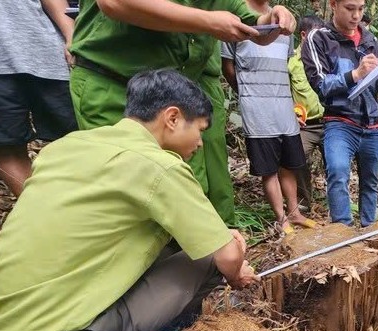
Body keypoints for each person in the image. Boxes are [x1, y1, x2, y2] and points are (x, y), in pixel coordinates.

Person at [0, 70, 258, 331]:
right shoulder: (159, 165)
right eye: (199, 130)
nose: (200, 142)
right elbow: (226, 256)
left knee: (171, 247)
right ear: (172, 117)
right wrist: (236, 267)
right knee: (209, 260)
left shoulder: (68, 147)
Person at [68, 0, 296, 225]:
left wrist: (271, 21)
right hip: (113, 84)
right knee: (126, 195)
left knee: (186, 188)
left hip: (174, 95)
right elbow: (115, 3)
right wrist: (208, 22)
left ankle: (200, 256)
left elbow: (254, 26)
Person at [222, 0, 317, 235]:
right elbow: (228, 68)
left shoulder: (285, 22)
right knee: (269, 169)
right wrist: (247, 93)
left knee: (289, 164)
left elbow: (284, 67)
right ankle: (281, 218)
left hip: (283, 107)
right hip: (257, 111)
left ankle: (294, 212)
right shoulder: (234, 19)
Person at [302, 0, 378, 227]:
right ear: (334, 4)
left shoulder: (369, 39)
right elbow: (321, 85)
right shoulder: (319, 39)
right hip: (339, 122)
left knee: (370, 182)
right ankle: (343, 234)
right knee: (337, 173)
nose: (356, 16)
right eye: (350, 8)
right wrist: (355, 73)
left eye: (361, 9)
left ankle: (368, 231)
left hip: (372, 123)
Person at [0, 0, 77, 196]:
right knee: (8, 145)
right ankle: (40, 214)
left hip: (45, 52)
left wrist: (71, 34)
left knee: (77, 138)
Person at [289, 14, 326, 211]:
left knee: (337, 161)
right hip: (306, 124)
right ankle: (304, 202)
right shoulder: (292, 63)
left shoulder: (326, 56)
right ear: (303, 35)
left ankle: (337, 201)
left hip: (329, 120)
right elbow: (285, 92)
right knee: (299, 156)